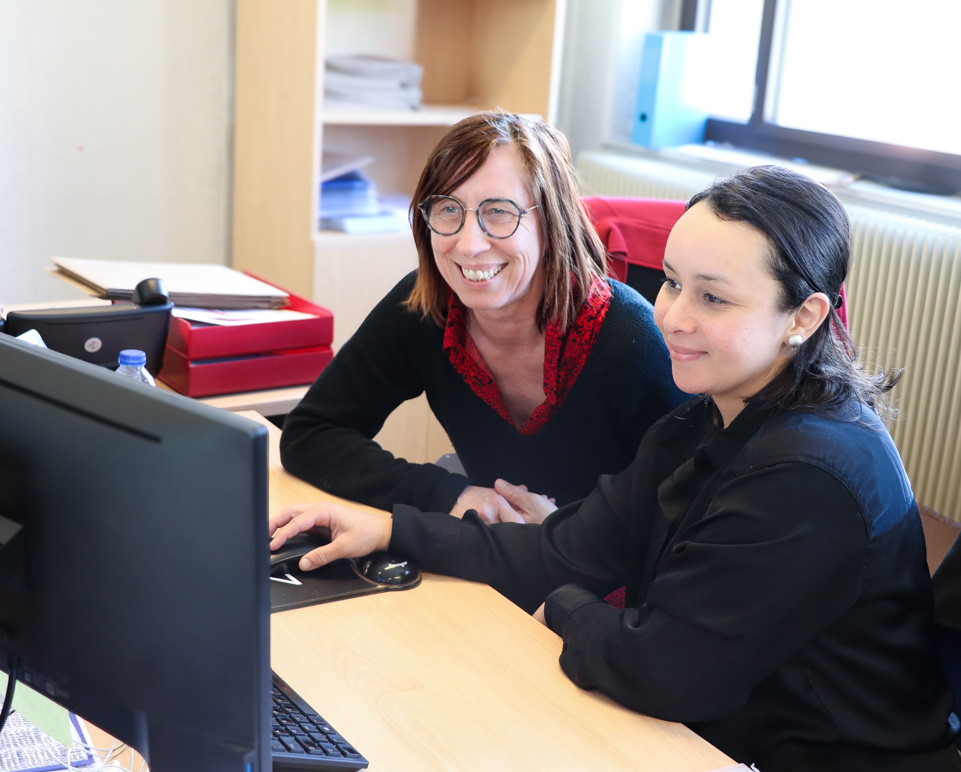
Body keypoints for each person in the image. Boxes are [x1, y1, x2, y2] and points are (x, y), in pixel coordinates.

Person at [270, 165, 961, 772]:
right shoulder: (709, 416)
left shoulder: (811, 474)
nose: (672, 316)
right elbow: (560, 549)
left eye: (714, 299)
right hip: (723, 750)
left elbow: (664, 668)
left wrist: (570, 609)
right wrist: (395, 528)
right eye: (671, 282)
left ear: (805, 317)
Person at [279, 111, 687, 524]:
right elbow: (311, 433)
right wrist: (445, 494)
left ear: (550, 222)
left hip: (603, 581)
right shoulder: (428, 307)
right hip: (491, 558)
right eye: (448, 209)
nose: (469, 244)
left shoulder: (631, 344)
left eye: (498, 212)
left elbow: (687, 520)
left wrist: (562, 536)